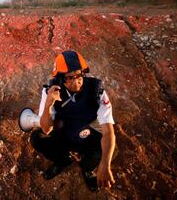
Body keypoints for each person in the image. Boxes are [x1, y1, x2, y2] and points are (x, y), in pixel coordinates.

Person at [30, 50, 116, 192]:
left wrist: (105, 165)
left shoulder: (97, 92)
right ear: (60, 78)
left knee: (104, 151)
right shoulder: (50, 92)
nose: (76, 81)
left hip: (86, 133)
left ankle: (87, 169)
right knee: (37, 138)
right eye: (70, 77)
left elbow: (108, 132)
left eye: (79, 75)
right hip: (63, 132)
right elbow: (46, 129)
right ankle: (62, 161)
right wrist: (48, 105)